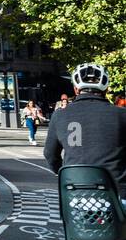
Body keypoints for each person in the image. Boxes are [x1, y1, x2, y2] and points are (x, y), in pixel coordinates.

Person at [44, 64, 126, 196]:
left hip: (76, 194)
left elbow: (50, 154)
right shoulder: (122, 115)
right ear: (106, 89)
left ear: (76, 89)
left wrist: (64, 172)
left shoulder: (60, 115)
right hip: (116, 195)